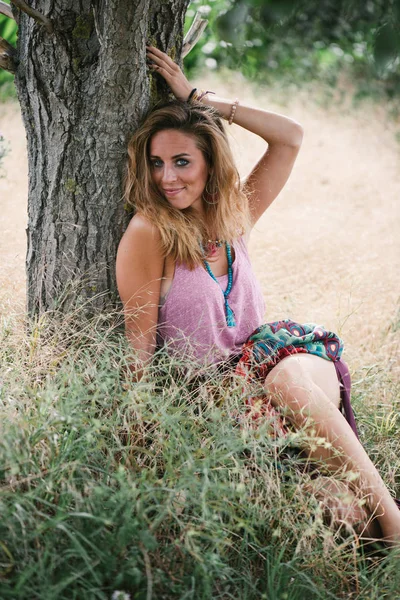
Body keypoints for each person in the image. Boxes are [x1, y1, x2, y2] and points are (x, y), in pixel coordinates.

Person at [116, 45, 400, 546]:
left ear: (209, 163)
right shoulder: (150, 232)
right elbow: (139, 351)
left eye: (182, 161)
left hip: (281, 362)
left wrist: (199, 99)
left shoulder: (233, 216)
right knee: (340, 515)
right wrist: (142, 450)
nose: (167, 177)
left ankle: (394, 521)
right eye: (157, 163)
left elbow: (289, 136)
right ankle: (369, 522)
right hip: (224, 404)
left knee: (289, 378)